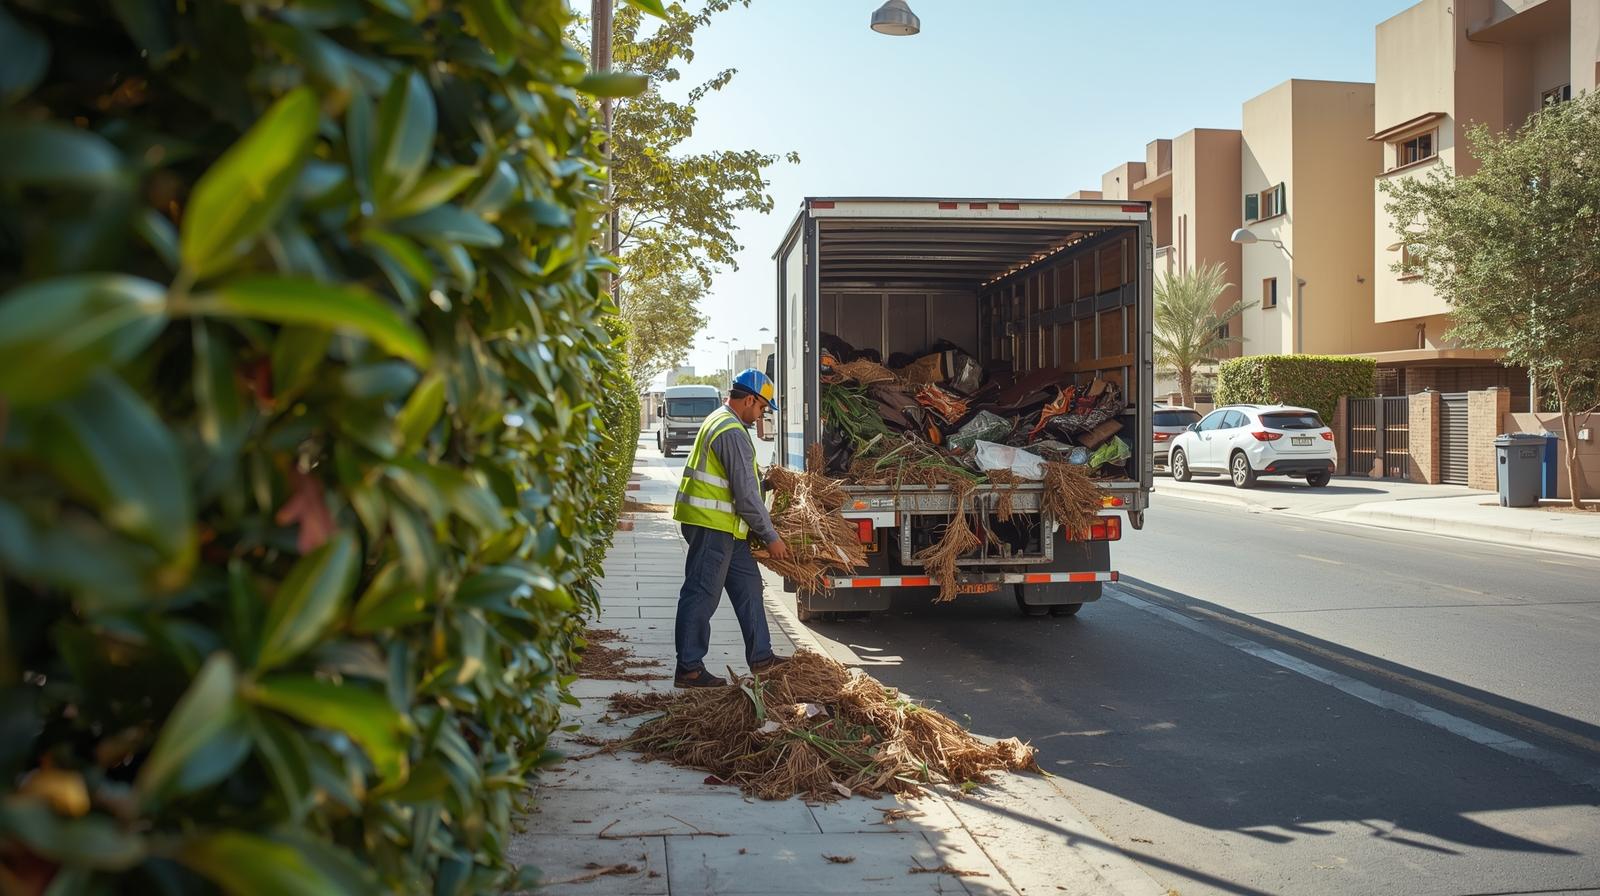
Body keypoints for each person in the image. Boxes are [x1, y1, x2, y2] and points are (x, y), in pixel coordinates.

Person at [670, 368, 792, 688]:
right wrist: (771, 536)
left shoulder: (723, 420)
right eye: (762, 407)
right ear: (749, 399)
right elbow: (746, 497)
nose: (762, 414)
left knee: (750, 588)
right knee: (702, 594)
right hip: (711, 526)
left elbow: (739, 482)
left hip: (727, 529)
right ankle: (689, 669)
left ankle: (762, 658)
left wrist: (767, 483)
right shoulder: (732, 431)